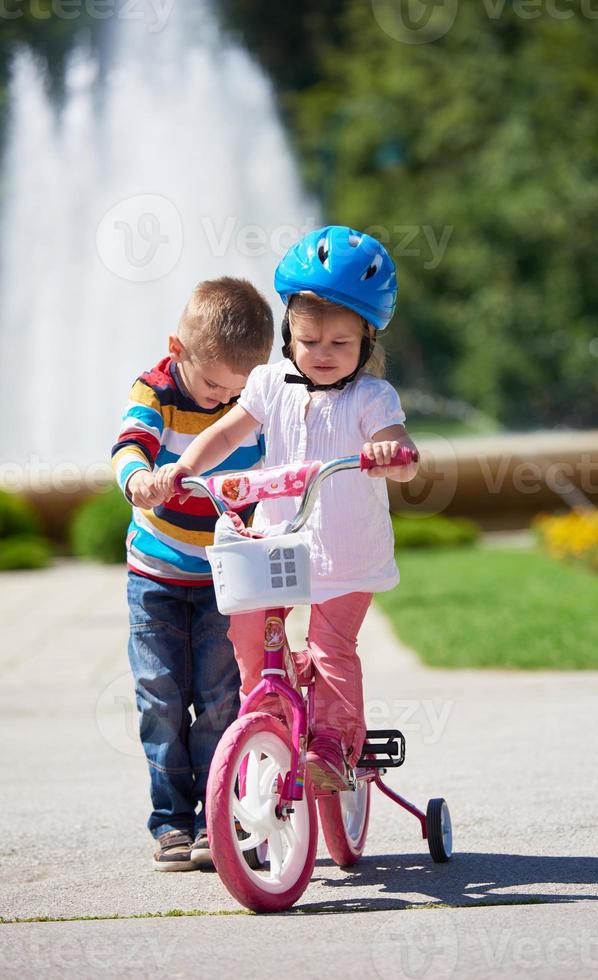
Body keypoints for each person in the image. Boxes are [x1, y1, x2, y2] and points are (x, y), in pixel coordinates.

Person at [155, 227, 418, 791]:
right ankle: (271, 715)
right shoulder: (270, 384)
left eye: (340, 344)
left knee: (330, 647)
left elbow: (400, 452)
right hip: (279, 541)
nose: (322, 354)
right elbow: (226, 434)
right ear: (288, 336)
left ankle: (333, 745)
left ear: (367, 342)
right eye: (309, 340)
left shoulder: (372, 399)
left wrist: (390, 454)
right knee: (248, 632)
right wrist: (185, 467)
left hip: (347, 556)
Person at [111, 277, 273, 869]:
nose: (219, 402)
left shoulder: (250, 403)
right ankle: (171, 821)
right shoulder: (155, 392)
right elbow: (129, 444)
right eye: (211, 385)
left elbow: (281, 458)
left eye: (234, 390)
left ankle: (215, 815)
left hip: (225, 578)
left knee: (219, 697)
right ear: (176, 349)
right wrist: (141, 480)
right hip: (156, 573)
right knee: (159, 695)